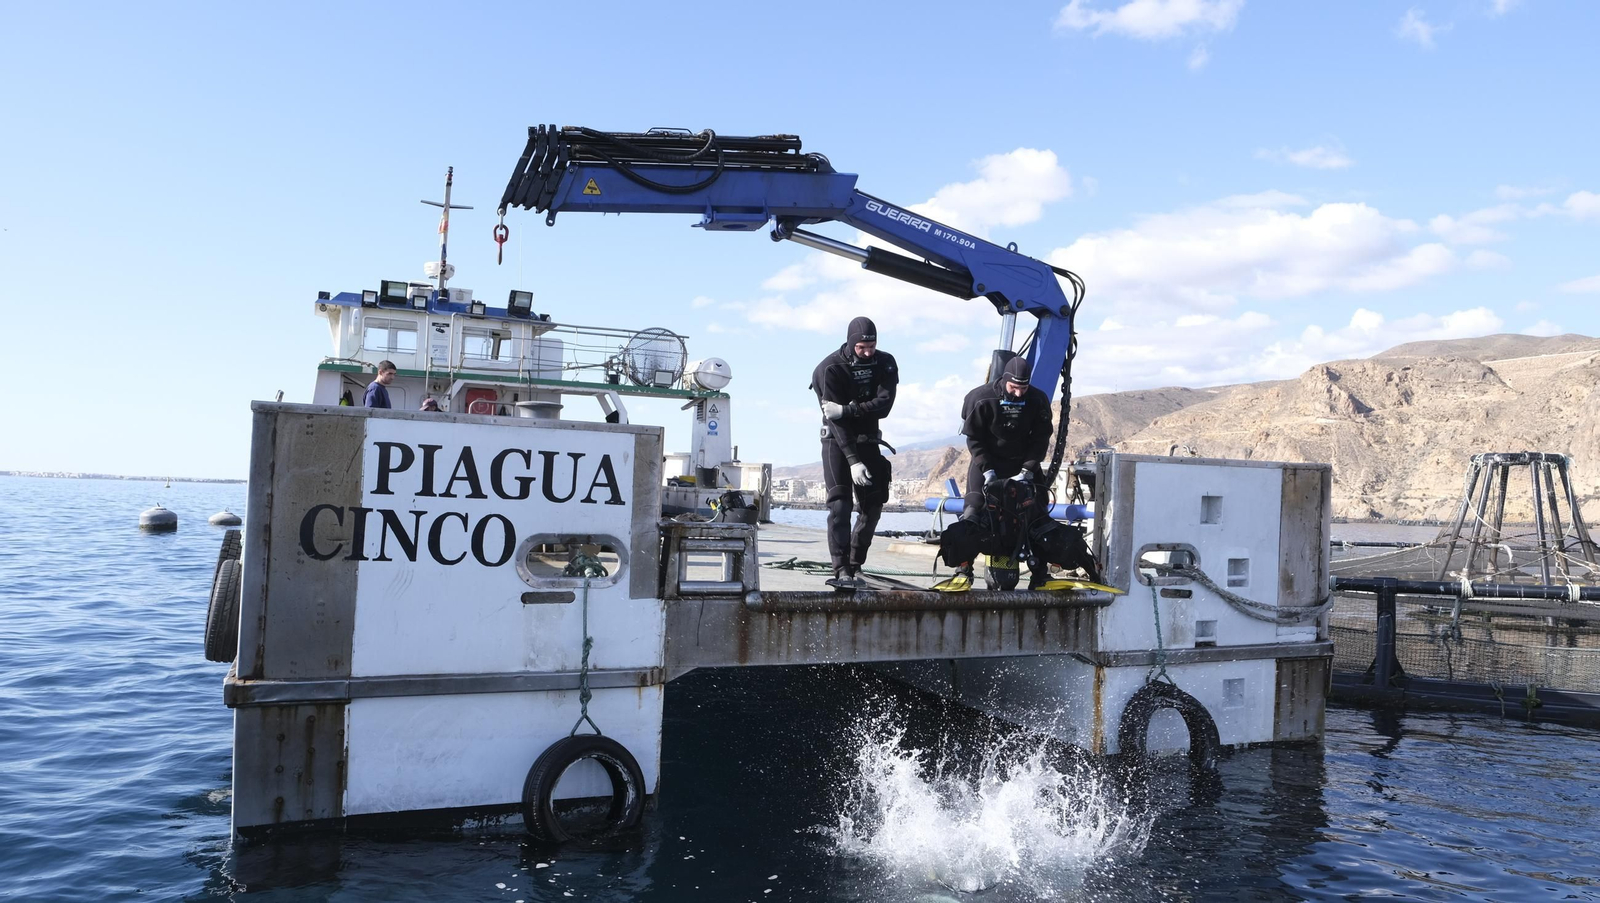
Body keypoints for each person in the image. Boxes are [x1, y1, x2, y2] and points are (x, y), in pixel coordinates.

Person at [810, 316, 898, 589]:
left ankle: (856, 562)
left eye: (871, 346)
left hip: (869, 439)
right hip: (838, 442)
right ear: (851, 344)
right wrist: (852, 460)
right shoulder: (829, 369)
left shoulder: (885, 362)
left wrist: (849, 409)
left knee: (873, 505)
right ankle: (841, 569)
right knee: (840, 506)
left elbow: (884, 405)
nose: (868, 352)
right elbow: (835, 420)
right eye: (862, 347)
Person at [959, 356, 1052, 519]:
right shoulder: (980, 398)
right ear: (1005, 380)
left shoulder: (1038, 399)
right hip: (988, 460)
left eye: (1023, 388)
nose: (1018, 393)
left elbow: (1041, 438)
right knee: (974, 506)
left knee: (1039, 509)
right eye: (1013, 387)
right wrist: (987, 470)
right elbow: (974, 438)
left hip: (1022, 461)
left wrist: (1028, 469)